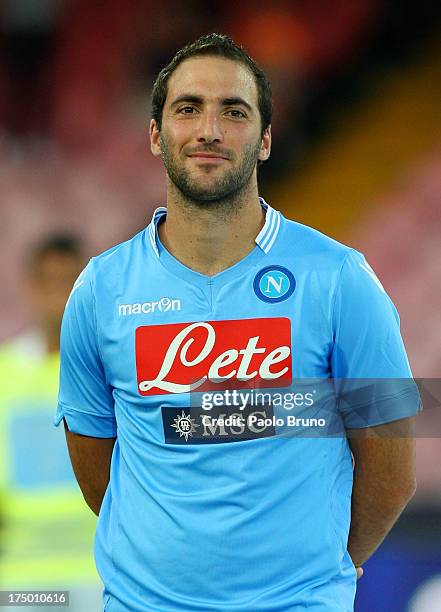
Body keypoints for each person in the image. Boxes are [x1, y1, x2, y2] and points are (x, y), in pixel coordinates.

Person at [55, 34, 420, 612]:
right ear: (155, 134)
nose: (210, 130)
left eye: (234, 111)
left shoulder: (339, 279)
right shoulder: (101, 291)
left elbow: (393, 468)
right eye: (188, 108)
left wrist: (324, 569)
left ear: (266, 139)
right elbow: (98, 466)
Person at [0, 234, 102, 611]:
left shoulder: (109, 371)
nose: (57, 297)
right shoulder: (5, 373)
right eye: (48, 282)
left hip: (96, 568)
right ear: (30, 286)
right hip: (24, 575)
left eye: (67, 283)